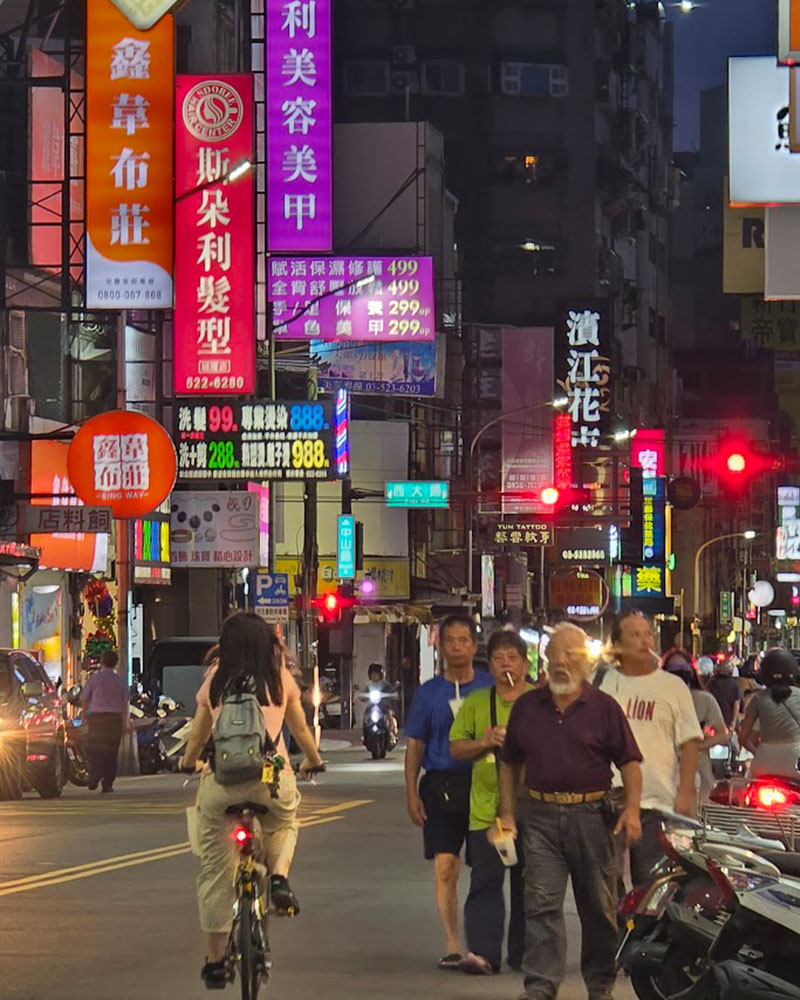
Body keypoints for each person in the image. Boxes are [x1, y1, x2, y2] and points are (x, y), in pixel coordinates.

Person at [178, 612, 324, 989]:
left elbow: (197, 736)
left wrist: (189, 761)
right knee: (283, 823)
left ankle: (214, 963)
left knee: (215, 872)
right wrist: (314, 759)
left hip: (222, 784)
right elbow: (300, 729)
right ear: (268, 644)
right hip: (270, 780)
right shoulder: (280, 679)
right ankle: (278, 879)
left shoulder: (216, 681)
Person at [499, 623, 643, 1000]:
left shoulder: (603, 708)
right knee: (541, 904)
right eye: (555, 654)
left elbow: (629, 763)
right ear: (543, 659)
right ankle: (541, 986)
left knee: (598, 908)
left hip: (593, 816)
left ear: (585, 662)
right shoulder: (527, 707)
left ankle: (600, 985)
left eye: (571, 655)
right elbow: (509, 762)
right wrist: (508, 814)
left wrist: (632, 810)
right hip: (540, 817)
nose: (561, 662)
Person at [404, 614, 492, 970]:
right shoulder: (429, 693)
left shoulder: (489, 687)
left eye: (463, 640)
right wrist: (411, 792)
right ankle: (453, 943)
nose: (456, 647)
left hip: (484, 787)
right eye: (450, 640)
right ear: (440, 647)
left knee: (485, 870)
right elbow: (415, 746)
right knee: (446, 867)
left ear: (474, 645)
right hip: (440, 788)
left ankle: (485, 942)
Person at [449, 629, 534, 975]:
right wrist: (484, 742)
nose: (505, 664)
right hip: (486, 812)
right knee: (485, 881)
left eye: (512, 657)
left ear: (526, 664)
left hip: (532, 808)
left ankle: (524, 953)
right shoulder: (476, 703)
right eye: (498, 658)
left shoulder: (538, 701)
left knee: (529, 886)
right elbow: (456, 748)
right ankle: (484, 953)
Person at [597, 611, 702, 887]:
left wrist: (685, 792)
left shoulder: (672, 686)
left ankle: (645, 931)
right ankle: (617, 931)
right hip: (609, 798)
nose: (645, 641)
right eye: (634, 635)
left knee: (653, 885)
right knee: (607, 883)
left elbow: (690, 742)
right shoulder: (601, 683)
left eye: (648, 634)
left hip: (657, 801)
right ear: (617, 644)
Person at [661, 648, 728, 803]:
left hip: (698, 769)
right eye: (674, 670)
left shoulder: (705, 700)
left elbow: (722, 734)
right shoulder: (657, 701)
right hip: (665, 770)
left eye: (683, 669)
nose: (679, 674)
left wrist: (697, 747)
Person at [739, 647, 800, 779]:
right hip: (796, 758)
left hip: (765, 759)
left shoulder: (758, 698)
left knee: (749, 791)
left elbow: (743, 738)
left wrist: (758, 753)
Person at [81, 649, 131, 794]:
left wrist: (84, 717)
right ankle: (107, 783)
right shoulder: (120, 681)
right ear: (116, 663)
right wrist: (125, 721)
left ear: (101, 662)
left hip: (97, 719)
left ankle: (95, 774)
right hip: (114, 720)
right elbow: (125, 703)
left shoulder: (94, 679)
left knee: (93, 749)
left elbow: (85, 699)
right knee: (111, 752)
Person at [365, 662, 398, 737]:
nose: (374, 676)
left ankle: (392, 731)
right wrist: (361, 696)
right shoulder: (368, 686)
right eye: (372, 674)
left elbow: (392, 692)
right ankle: (365, 732)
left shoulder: (386, 685)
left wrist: (393, 694)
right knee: (366, 714)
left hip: (384, 706)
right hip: (372, 706)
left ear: (381, 675)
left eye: (376, 674)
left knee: (389, 713)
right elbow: (364, 694)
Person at [708, 659, 741, 730]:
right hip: (727, 720)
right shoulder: (734, 684)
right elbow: (736, 704)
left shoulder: (711, 683)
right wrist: (734, 721)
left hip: (712, 720)